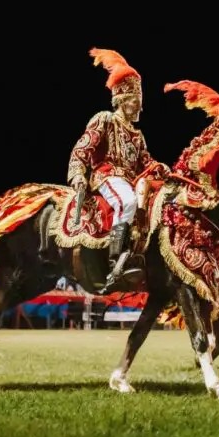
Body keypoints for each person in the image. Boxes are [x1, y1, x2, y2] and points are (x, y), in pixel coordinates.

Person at [67, 48, 161, 292]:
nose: (138, 106)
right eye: (134, 100)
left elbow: (145, 162)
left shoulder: (138, 135)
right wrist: (78, 172)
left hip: (131, 180)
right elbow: (82, 148)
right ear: (121, 99)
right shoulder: (105, 119)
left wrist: (159, 169)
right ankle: (116, 261)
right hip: (106, 175)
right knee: (127, 202)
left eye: (139, 101)